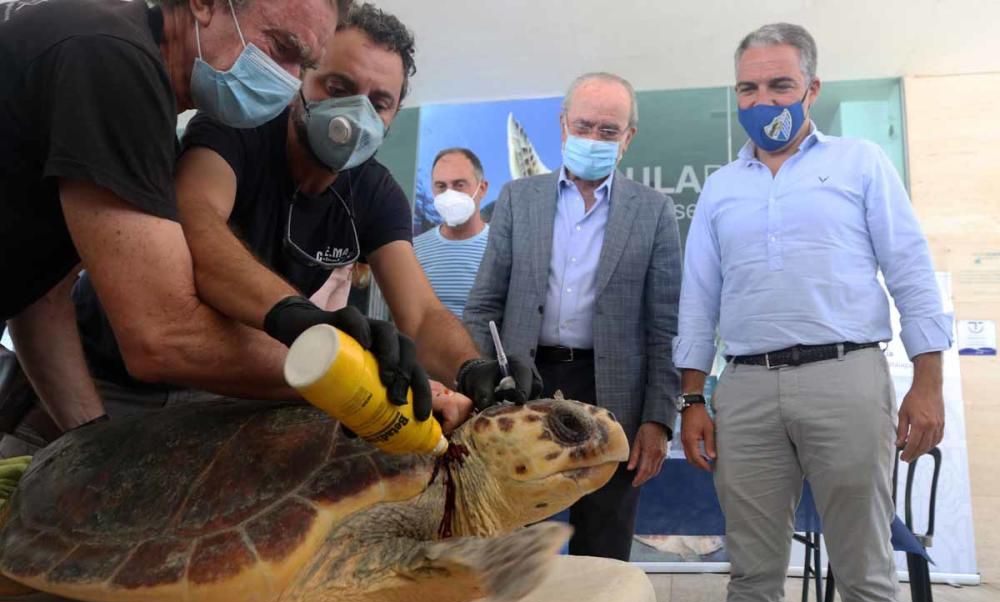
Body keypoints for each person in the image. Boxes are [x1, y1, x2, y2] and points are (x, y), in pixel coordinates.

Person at [69, 2, 537, 423]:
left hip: (229, 388)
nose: (356, 113)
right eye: (338, 86)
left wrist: (470, 366)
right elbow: (198, 223)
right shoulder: (239, 129)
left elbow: (420, 314)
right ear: (300, 80)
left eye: (380, 103)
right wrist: (301, 318)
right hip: (109, 375)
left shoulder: (375, 193)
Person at [675, 23, 952, 602]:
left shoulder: (860, 163)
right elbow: (698, 300)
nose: (763, 100)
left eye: (780, 85)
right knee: (752, 575)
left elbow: (909, 269)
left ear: (813, 88)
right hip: (743, 388)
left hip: (847, 378)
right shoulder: (721, 187)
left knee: (865, 571)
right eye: (748, 88)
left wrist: (929, 381)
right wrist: (692, 396)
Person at [0, 0, 360, 438]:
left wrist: (88, 439)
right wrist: (344, 370)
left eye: (302, 65)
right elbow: (162, 335)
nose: (289, 80)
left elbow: (41, 299)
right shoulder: (109, 57)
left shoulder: (146, 115)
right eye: (282, 47)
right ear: (204, 5)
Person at [464, 72, 682, 561]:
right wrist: (482, 386)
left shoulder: (654, 213)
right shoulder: (519, 201)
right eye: (584, 126)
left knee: (603, 555)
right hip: (524, 389)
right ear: (563, 128)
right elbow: (483, 306)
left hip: (614, 402)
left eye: (609, 131)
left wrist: (658, 420)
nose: (594, 139)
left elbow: (665, 327)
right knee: (517, 549)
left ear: (629, 139)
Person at [414, 148, 491, 318]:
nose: (449, 194)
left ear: (483, 188)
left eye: (459, 185)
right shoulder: (414, 251)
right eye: (441, 186)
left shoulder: (503, 249)